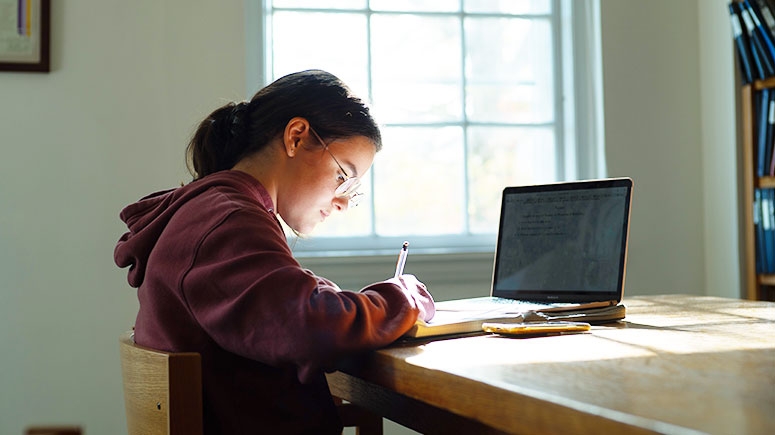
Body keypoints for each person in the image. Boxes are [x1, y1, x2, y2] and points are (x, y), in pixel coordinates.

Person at [114, 69, 435, 434]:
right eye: (343, 176)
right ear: (296, 137)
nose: (344, 202)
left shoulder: (211, 212)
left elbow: (282, 308)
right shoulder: (226, 219)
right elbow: (310, 328)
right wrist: (403, 296)